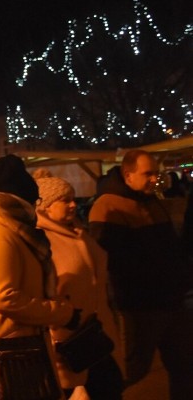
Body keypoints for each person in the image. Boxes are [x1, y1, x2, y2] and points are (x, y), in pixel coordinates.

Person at [0, 154, 77, 400]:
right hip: (7, 343)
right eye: (34, 201)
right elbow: (4, 297)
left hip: (19, 338)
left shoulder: (13, 228)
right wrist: (60, 313)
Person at [88, 149, 193, 398]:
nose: (154, 179)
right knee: (134, 369)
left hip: (171, 299)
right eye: (148, 173)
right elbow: (110, 260)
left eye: (156, 173)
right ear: (128, 175)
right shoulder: (108, 206)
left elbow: (169, 248)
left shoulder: (150, 199)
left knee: (184, 366)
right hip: (141, 304)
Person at [34, 174, 124, 399]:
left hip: (98, 334)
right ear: (45, 206)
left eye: (73, 198)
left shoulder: (78, 232)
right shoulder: (42, 242)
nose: (73, 204)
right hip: (72, 341)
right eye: (65, 200)